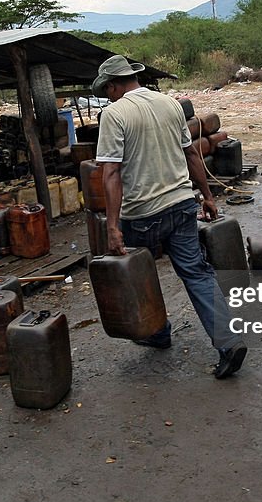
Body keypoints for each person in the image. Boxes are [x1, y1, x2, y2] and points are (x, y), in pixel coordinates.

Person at [92, 55, 247, 378]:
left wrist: (112, 226)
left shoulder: (114, 114)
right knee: (196, 272)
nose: (107, 96)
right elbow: (191, 152)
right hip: (181, 205)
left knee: (140, 276)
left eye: (106, 90)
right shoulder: (170, 104)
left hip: (141, 212)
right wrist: (206, 196)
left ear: (112, 85)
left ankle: (158, 333)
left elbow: (111, 174)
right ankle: (228, 341)